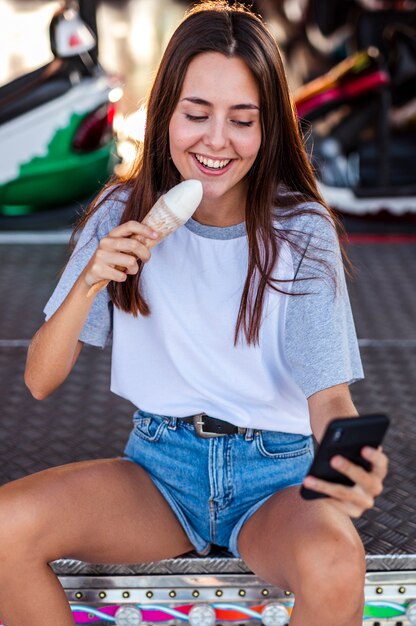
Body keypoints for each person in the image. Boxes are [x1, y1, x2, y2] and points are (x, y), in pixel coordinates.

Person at [1, 1, 388, 625]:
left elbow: (329, 398)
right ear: (165, 115)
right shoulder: (119, 214)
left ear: (268, 131)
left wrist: (350, 459)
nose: (216, 141)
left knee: (336, 559)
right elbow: (40, 380)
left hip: (277, 477)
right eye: (196, 114)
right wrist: (89, 283)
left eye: (242, 120)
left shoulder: (302, 230)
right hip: (161, 470)